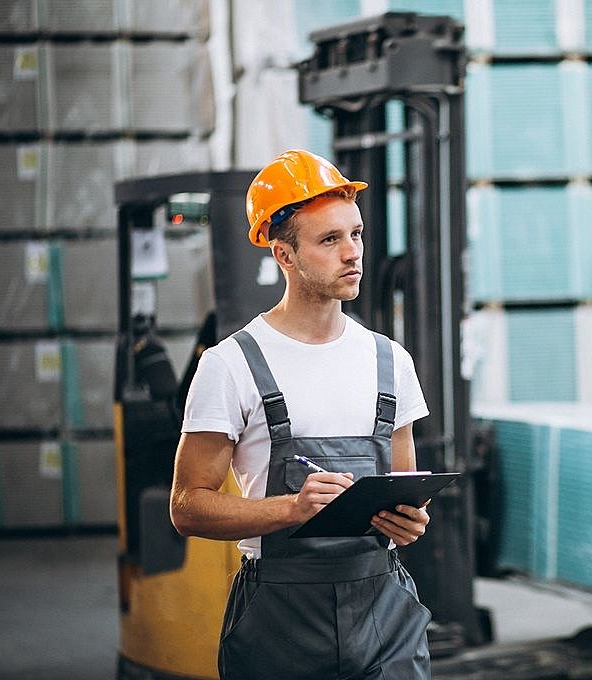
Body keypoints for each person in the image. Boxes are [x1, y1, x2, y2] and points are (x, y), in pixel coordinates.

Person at [169, 149, 433, 679]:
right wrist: (291, 509)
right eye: (329, 240)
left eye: (355, 234)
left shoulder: (390, 361)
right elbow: (187, 507)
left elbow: (405, 485)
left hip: (384, 603)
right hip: (279, 615)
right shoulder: (231, 366)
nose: (352, 253)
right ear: (283, 255)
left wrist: (409, 519)